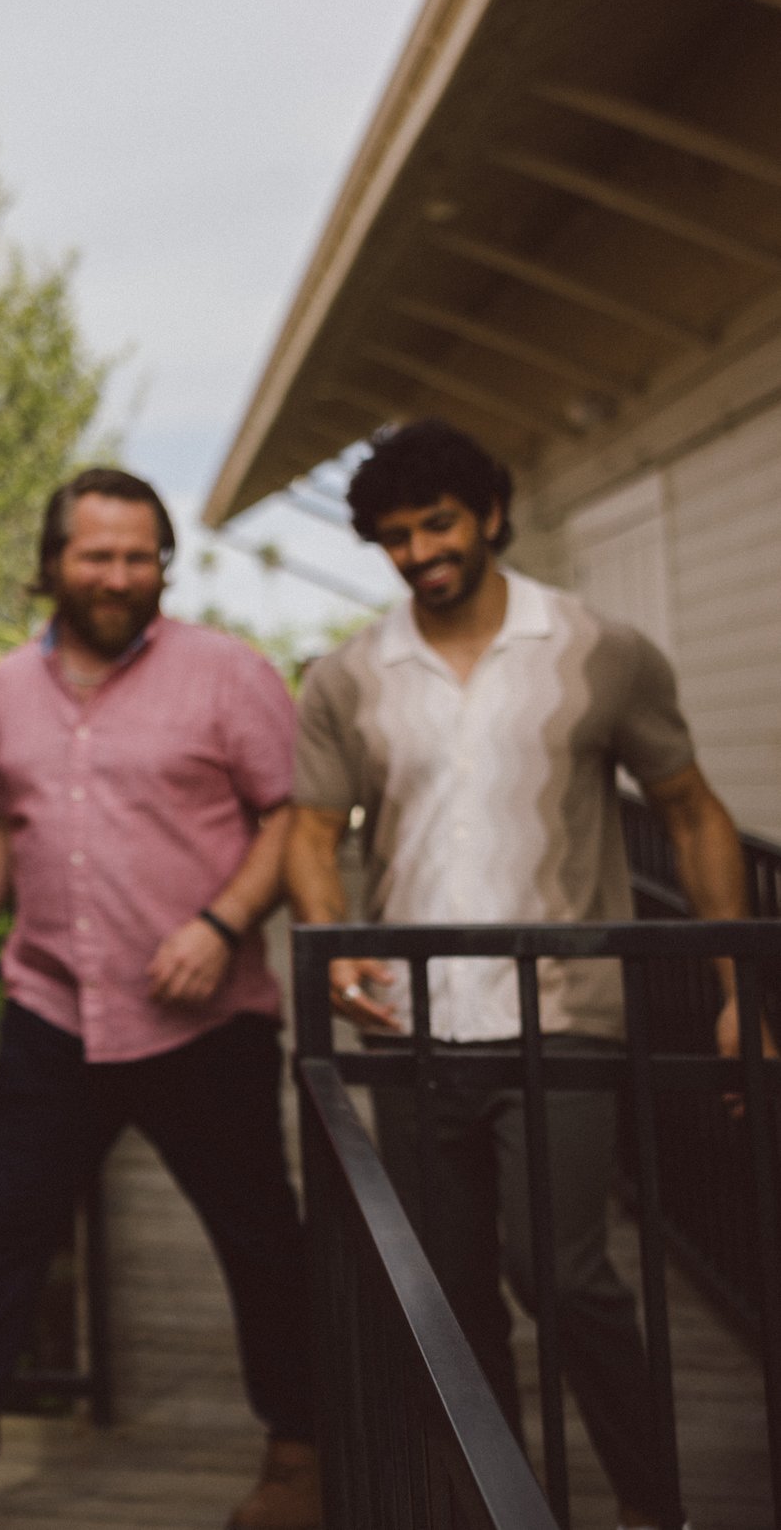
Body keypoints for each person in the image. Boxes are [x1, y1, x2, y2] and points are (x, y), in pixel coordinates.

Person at [285, 418, 751, 1530]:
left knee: (560, 1271)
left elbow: (690, 813)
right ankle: (501, 1508)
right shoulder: (347, 675)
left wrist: (740, 989)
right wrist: (337, 936)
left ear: (489, 515)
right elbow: (309, 831)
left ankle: (656, 1507)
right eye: (394, 537)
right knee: (447, 1303)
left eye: (437, 523)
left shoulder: (600, 648)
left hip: (565, 1018)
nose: (419, 551)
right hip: (412, 1031)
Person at [0, 468, 320, 1530]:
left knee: (261, 1243)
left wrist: (221, 923)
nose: (118, 575)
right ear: (51, 563)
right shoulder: (6, 689)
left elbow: (288, 819)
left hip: (207, 1021)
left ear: (162, 566)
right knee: (1, 1241)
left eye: (139, 556)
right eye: (96, 555)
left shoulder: (230, 675)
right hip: (54, 1010)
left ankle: (296, 1459)